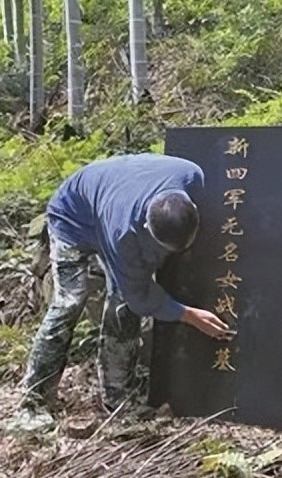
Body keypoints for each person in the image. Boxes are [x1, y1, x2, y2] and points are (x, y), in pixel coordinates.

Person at [17, 153, 232, 426]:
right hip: (73, 217)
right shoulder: (123, 235)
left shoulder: (191, 175)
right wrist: (188, 314)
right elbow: (139, 296)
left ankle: (118, 395)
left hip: (110, 194)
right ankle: (34, 400)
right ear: (145, 227)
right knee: (70, 301)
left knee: (121, 308)